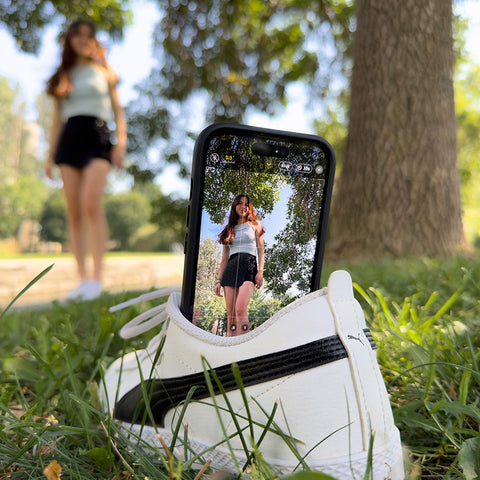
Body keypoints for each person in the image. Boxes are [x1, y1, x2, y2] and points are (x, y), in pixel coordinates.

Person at [45, 19, 126, 300]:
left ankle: (97, 279)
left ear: (94, 41)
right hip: (69, 138)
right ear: (69, 40)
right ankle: (82, 280)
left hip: (98, 136)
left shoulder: (105, 70)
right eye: (76, 35)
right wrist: (49, 156)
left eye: (88, 35)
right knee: (74, 210)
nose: (82, 40)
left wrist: (121, 144)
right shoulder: (63, 76)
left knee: (91, 203)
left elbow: (118, 110)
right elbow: (56, 121)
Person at [214, 194, 265, 336]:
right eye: (239, 203)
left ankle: (244, 348)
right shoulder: (228, 229)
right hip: (231, 267)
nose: (243, 207)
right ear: (234, 206)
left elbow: (261, 252)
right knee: (231, 316)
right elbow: (224, 259)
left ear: (249, 208)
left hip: (249, 265)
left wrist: (260, 271)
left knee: (240, 308)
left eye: (246, 204)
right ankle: (231, 349)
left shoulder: (255, 225)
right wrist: (218, 281)